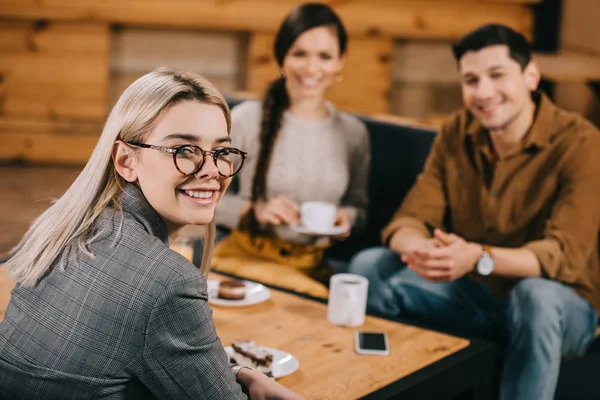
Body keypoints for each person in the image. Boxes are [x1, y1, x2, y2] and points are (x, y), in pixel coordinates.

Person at [0, 68, 302, 400]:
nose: (212, 170)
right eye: (184, 150)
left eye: (221, 152)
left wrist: (239, 373)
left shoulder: (65, 225)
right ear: (126, 160)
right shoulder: (168, 281)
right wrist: (249, 380)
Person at [348, 24, 600, 400]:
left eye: (497, 75)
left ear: (531, 76)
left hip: (563, 309)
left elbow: (563, 256)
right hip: (474, 293)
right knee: (370, 266)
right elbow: (409, 219)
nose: (483, 92)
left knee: (535, 296)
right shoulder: (457, 132)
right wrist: (422, 250)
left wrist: (477, 257)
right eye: (471, 79)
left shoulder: (582, 144)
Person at [212, 3, 370, 299]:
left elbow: (359, 207)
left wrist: (345, 217)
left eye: (324, 56)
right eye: (300, 54)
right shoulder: (247, 119)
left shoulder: (353, 133)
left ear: (340, 62)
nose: (312, 68)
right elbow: (204, 196)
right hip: (244, 261)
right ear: (282, 57)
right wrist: (253, 211)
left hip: (311, 268)